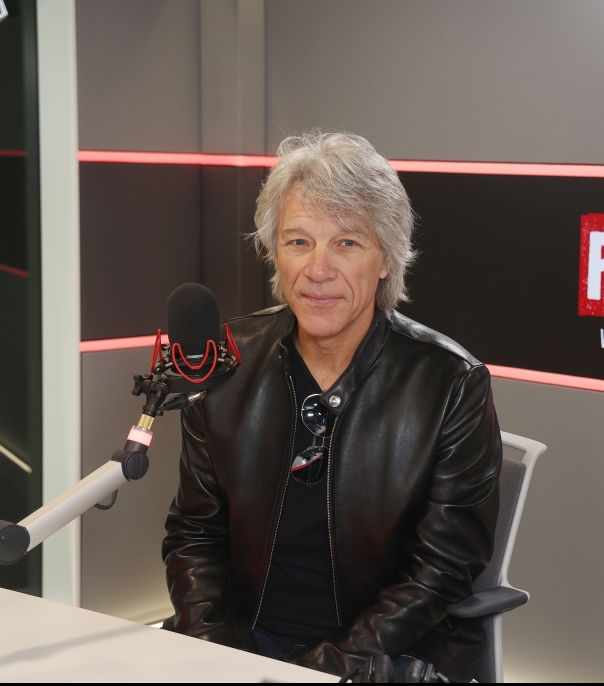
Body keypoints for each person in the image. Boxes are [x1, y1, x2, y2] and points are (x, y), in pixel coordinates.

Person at [161, 130, 503, 683]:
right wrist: (214, 652)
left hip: (381, 657)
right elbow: (194, 534)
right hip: (242, 645)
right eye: (298, 242)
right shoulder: (226, 364)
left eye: (347, 243)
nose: (317, 270)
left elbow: (441, 570)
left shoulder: (450, 383)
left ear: (387, 260)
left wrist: (323, 671)